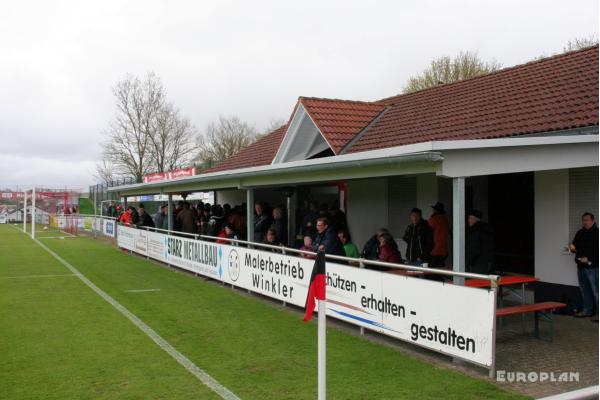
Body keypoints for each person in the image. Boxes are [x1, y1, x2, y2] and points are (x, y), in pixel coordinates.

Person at [570, 212, 599, 322]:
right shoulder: (580, 233)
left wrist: (589, 258)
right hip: (581, 267)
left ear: (593, 221)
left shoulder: (597, 233)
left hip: (594, 268)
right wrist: (571, 248)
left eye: (587, 220)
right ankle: (586, 310)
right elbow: (574, 247)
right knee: (584, 290)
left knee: (596, 292)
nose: (585, 222)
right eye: (583, 220)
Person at [466, 210, 494, 274]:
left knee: (475, 282)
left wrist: (468, 262)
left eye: (470, 218)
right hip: (487, 263)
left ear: (476, 219)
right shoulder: (487, 229)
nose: (468, 220)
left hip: (477, 264)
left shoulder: (475, 231)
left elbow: (474, 249)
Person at [428, 202, 450, 268]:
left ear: (435, 210)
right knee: (440, 271)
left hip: (434, 251)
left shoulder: (433, 219)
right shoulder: (445, 220)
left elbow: (426, 232)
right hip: (443, 251)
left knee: (431, 273)